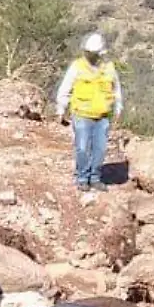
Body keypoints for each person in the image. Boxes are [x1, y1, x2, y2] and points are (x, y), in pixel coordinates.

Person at [54, 32, 122, 193]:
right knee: (83, 148)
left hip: (102, 117)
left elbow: (116, 89)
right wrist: (61, 110)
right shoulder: (77, 67)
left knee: (100, 149)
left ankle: (95, 178)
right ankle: (82, 178)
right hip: (82, 115)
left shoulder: (109, 68)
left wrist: (118, 107)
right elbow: (65, 88)